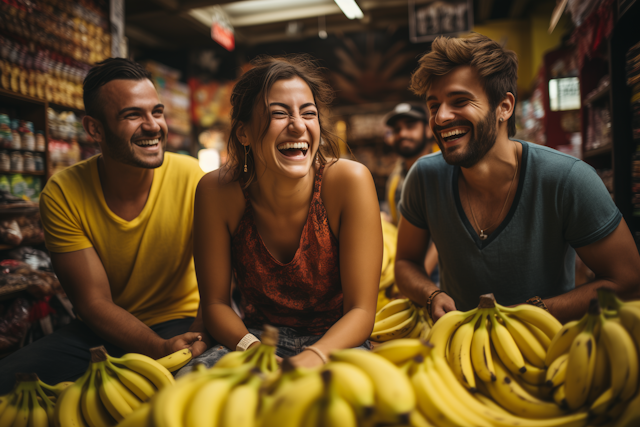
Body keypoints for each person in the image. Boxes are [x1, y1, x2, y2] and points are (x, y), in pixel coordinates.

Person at [395, 33, 640, 325]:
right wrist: (431, 294)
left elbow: (627, 280)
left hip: (548, 352)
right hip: (455, 353)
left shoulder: (567, 179)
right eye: (434, 105)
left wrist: (536, 313)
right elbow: (405, 262)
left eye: (460, 100)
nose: (440, 117)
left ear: (504, 107)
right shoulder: (424, 177)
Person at [0, 58, 207, 393]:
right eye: (133, 115)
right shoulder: (63, 193)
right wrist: (156, 349)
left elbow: (219, 275)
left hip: (180, 320)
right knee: (10, 381)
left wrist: (201, 333)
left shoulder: (193, 177)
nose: (154, 125)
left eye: (157, 112)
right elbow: (93, 302)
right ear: (94, 129)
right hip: (101, 330)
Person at [179, 55, 382, 373]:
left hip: (338, 342)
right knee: (188, 385)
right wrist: (254, 350)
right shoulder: (216, 191)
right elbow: (215, 304)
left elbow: (361, 311)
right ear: (243, 133)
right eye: (278, 114)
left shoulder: (349, 182)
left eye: (309, 114)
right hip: (252, 340)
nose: (298, 126)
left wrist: (311, 357)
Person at [383, 103, 439, 281]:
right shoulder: (396, 178)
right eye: (397, 129)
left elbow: (445, 235)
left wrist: (417, 278)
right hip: (410, 272)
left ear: (429, 130)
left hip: (438, 277)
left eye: (410, 126)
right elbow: (403, 222)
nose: (403, 134)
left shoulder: (441, 171)